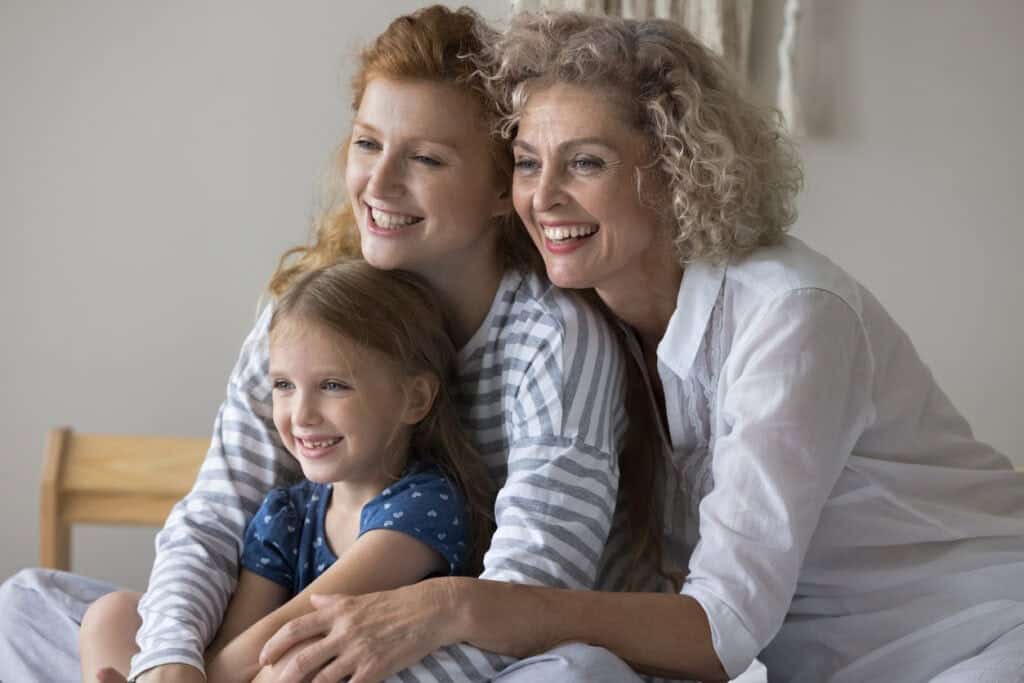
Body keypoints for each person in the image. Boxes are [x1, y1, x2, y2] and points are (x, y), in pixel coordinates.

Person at [254, 10, 1024, 683]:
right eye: (527, 162)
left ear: (678, 169)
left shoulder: (791, 317)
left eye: (584, 162)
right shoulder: (582, 323)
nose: (542, 197)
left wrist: (452, 604)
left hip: (979, 638)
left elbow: (720, 631)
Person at [0, 7, 646, 683]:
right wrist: (169, 663)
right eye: (368, 144)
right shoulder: (304, 311)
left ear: (499, 187)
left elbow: (526, 598)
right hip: (293, 655)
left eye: (425, 158)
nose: (380, 181)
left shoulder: (553, 339)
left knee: (579, 673)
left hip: (465, 660)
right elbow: (219, 515)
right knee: (28, 604)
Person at [77, 260, 495, 682]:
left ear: (415, 398)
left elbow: (293, 627)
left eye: (333, 385)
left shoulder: (427, 505)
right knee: (110, 617)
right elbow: (236, 640)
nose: (301, 414)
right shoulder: (287, 514)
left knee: (288, 666)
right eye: (283, 386)